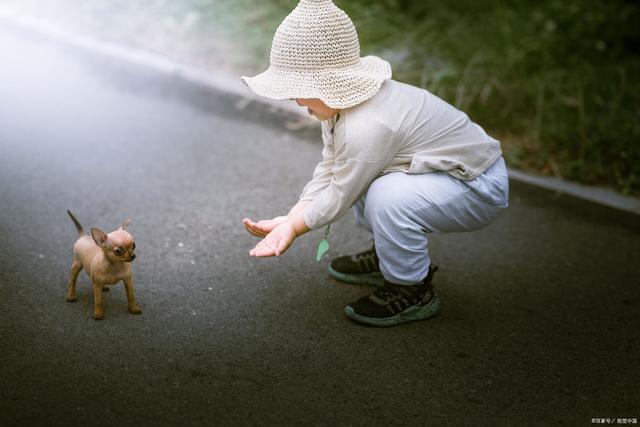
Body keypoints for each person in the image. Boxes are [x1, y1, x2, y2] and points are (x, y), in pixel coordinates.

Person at [240, 0, 509, 327]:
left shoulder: (367, 127)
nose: (292, 98)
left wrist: (294, 228)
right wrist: (295, 213)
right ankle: (388, 254)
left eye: (296, 89)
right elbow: (331, 167)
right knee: (369, 175)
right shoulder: (341, 105)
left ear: (323, 85)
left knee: (386, 195)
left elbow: (341, 192)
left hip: (476, 184)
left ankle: (412, 287)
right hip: (442, 171)